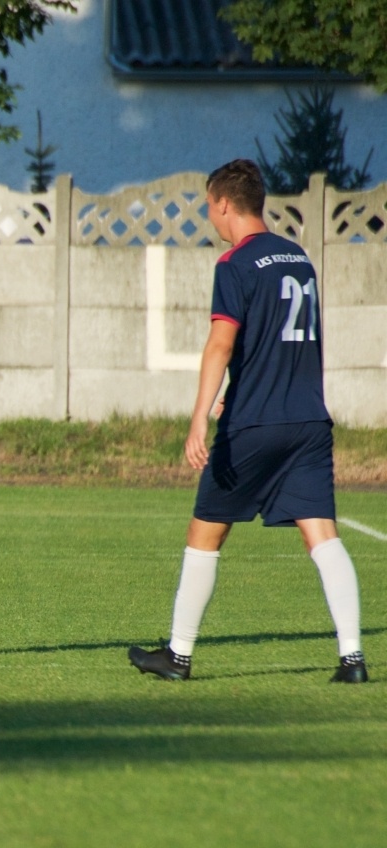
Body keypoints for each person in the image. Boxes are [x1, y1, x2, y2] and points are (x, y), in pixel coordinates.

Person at [129, 160, 367, 684]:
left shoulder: (234, 264)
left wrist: (198, 417)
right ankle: (352, 658)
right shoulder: (299, 258)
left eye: (209, 208)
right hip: (307, 421)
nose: (211, 219)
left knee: (204, 536)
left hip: (254, 427)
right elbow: (276, 346)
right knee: (322, 535)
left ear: (224, 205)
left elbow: (223, 342)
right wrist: (231, 394)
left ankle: (178, 655)